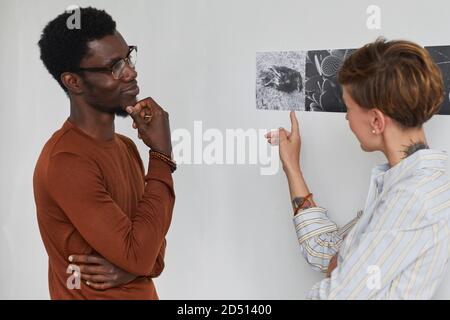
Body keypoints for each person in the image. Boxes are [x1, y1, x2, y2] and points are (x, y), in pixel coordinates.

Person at [266, 38, 450, 299]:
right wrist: (292, 167)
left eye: (348, 108)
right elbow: (326, 252)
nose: (347, 118)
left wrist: (341, 267)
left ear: (376, 120)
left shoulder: (411, 199)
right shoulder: (410, 184)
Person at [33, 7, 176, 299]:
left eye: (128, 57)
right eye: (114, 67)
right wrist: (161, 156)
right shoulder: (67, 160)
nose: (131, 72)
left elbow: (154, 248)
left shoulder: (126, 147)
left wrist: (139, 263)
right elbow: (141, 254)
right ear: (74, 81)